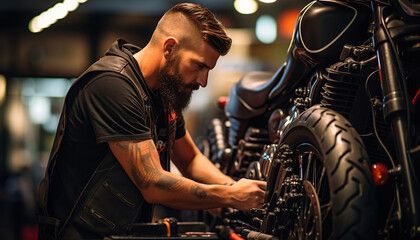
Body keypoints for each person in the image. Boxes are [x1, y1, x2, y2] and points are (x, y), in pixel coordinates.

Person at [36, 3, 266, 239]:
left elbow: (190, 159)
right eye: (199, 66)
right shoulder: (113, 86)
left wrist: (241, 191)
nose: (203, 81)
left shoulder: (162, 94)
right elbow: (152, 183)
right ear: (169, 48)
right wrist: (229, 196)